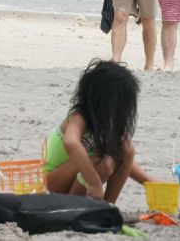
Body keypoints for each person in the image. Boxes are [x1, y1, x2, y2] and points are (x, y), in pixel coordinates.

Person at [45, 59, 156, 203]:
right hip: (52, 183)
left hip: (80, 177)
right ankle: (72, 206)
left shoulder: (105, 124)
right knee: (103, 162)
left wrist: (149, 181)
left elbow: (125, 161)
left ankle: (108, 206)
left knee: (126, 148)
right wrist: (94, 183)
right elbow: (71, 143)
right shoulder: (79, 117)